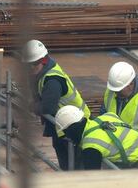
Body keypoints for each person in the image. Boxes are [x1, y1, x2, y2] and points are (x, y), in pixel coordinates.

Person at [25, 39, 91, 170]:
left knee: (74, 166)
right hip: (62, 124)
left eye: (33, 64)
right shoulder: (42, 73)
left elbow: (48, 107)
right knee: (66, 164)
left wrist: (32, 106)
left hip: (76, 126)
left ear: (43, 61)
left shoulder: (53, 80)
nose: (30, 68)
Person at [55, 105, 138, 170]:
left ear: (71, 129)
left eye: (66, 132)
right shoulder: (108, 116)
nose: (67, 137)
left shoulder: (91, 146)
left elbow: (92, 179)